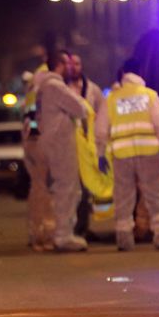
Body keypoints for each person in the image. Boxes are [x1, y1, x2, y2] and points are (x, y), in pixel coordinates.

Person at [95, 58, 159, 251]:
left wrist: (100, 153)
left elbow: (100, 129)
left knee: (123, 195)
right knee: (155, 194)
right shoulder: (149, 95)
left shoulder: (112, 99)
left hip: (122, 154)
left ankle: (124, 237)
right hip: (148, 152)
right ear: (140, 73)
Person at [35, 50, 88, 251]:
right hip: (60, 142)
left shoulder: (44, 86)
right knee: (67, 188)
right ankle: (63, 235)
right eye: (66, 63)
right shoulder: (55, 86)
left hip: (52, 140)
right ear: (59, 65)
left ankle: (63, 233)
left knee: (63, 187)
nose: (71, 67)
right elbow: (80, 108)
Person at [68, 54, 105, 240]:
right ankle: (71, 228)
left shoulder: (93, 90)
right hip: (69, 144)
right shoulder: (62, 89)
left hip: (88, 145)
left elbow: (101, 114)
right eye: (71, 64)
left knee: (86, 187)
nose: (74, 67)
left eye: (77, 63)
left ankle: (83, 226)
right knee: (71, 188)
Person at [21, 64, 56, 251]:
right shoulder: (42, 90)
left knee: (36, 188)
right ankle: (46, 234)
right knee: (44, 191)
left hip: (30, 142)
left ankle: (36, 233)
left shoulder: (31, 91)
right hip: (39, 142)